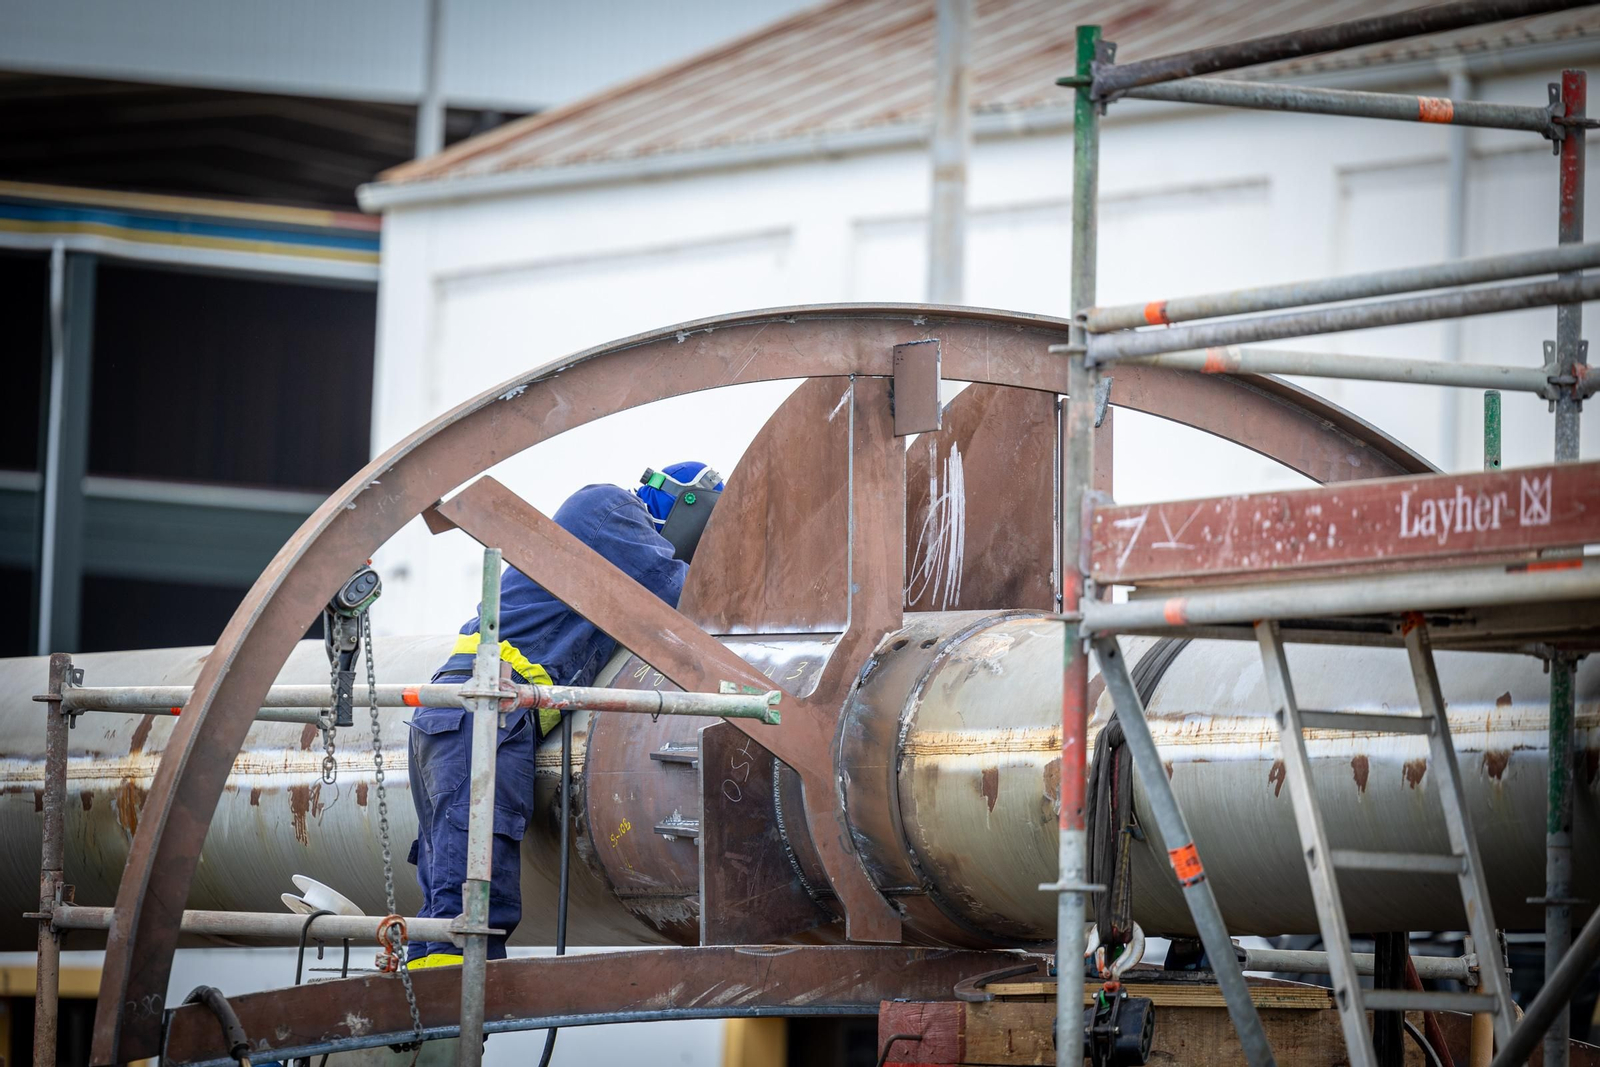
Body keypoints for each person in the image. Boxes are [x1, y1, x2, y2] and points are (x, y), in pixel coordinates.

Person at [405, 462, 723, 967]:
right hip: (485, 709)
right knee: (472, 885)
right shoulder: (610, 510)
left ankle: (427, 1014)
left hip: (474, 712)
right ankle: (449, 1012)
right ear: (689, 504)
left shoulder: (614, 567)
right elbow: (689, 596)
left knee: (450, 887)